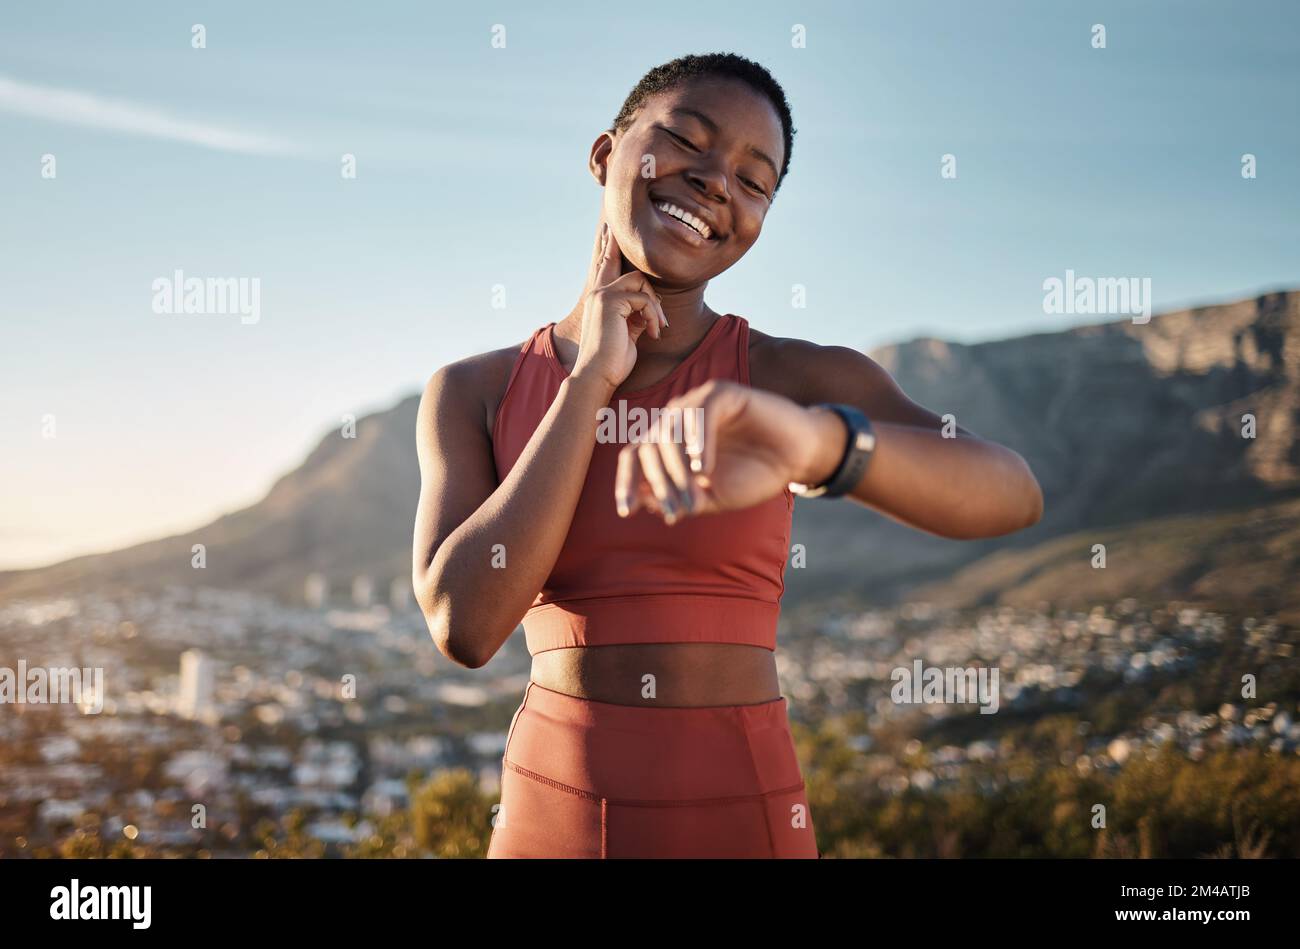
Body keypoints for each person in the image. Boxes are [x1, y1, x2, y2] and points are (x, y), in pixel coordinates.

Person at [412, 53, 1043, 858]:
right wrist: (589, 383)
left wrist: (818, 443)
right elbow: (465, 624)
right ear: (606, 155)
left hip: (745, 814)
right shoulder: (475, 389)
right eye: (687, 140)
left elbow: (1012, 492)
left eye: (755, 181)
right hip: (549, 816)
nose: (717, 183)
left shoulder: (790, 374)